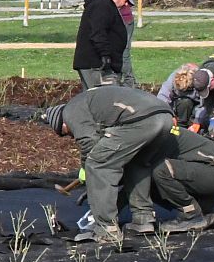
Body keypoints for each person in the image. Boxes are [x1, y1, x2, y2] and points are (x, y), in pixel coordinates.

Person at [42, 84, 174, 243]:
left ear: (62, 124)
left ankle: (106, 229)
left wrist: (86, 169)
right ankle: (143, 219)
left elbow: (89, 142)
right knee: (138, 163)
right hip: (165, 116)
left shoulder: (70, 111)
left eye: (67, 133)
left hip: (141, 119)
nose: (71, 136)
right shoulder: (90, 101)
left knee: (98, 164)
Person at [124, 126, 214, 233]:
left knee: (158, 171)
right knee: (151, 178)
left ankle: (191, 215)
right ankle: (210, 206)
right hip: (206, 172)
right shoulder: (153, 129)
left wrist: (110, 216)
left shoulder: (150, 136)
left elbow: (133, 181)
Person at [72, 0, 128, 89]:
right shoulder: (102, 5)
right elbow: (98, 32)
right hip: (97, 65)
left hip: (98, 64)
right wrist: (106, 57)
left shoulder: (104, 4)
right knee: (101, 100)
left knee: (98, 99)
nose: (126, 4)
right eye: (126, 0)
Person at [89, 0, 136, 87]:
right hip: (115, 23)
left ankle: (129, 81)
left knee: (123, 51)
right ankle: (117, 77)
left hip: (124, 21)